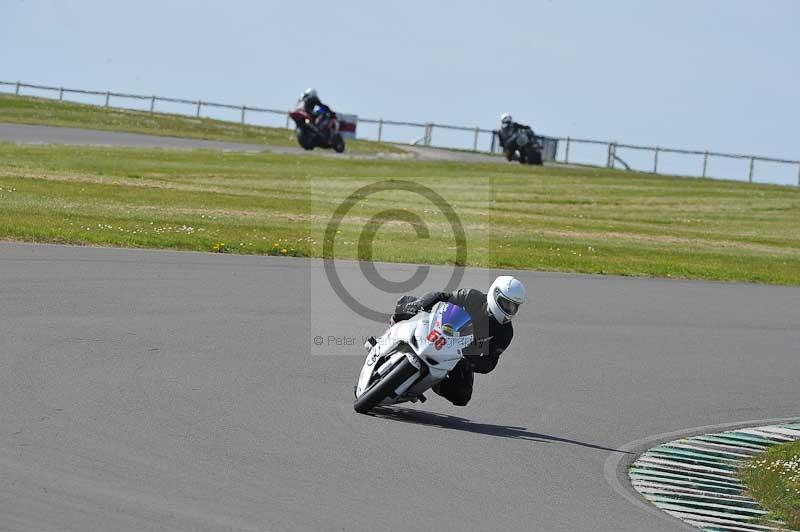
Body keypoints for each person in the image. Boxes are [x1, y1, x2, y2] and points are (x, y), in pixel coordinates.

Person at [388, 276, 526, 406]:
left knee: (462, 396)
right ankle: (388, 340)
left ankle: (430, 382)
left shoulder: (505, 333)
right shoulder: (472, 297)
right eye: (506, 303)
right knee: (405, 306)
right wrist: (419, 305)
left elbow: (490, 362)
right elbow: (442, 297)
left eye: (514, 306)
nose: (509, 309)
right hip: (438, 331)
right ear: (495, 295)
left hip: (458, 356)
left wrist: (470, 363)